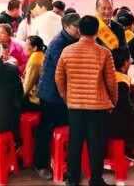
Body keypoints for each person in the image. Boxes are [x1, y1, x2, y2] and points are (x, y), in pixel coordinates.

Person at [55, 15, 118, 186]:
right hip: (97, 107)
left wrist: (66, 96)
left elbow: (59, 77)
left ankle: (73, 179)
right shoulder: (104, 52)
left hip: (74, 105)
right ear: (97, 31)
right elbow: (112, 82)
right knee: (96, 144)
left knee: (75, 142)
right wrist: (113, 100)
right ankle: (96, 180)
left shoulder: (67, 51)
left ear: (80, 30)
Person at [33, 13, 80, 180]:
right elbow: (68, 69)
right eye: (76, 27)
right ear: (66, 27)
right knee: (46, 129)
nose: (79, 29)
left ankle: (65, 164)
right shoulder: (58, 44)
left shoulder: (74, 40)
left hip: (65, 95)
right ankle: (41, 165)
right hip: (51, 95)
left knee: (68, 128)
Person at [95, 0, 130, 71]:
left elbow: (125, 51)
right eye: (104, 8)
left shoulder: (119, 28)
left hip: (116, 70)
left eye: (110, 8)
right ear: (97, 9)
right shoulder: (92, 26)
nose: (107, 11)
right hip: (97, 70)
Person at [22, 36, 45, 111]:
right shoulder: (40, 55)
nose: (24, 47)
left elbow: (26, 88)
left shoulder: (34, 60)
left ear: (35, 48)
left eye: (26, 45)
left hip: (35, 100)